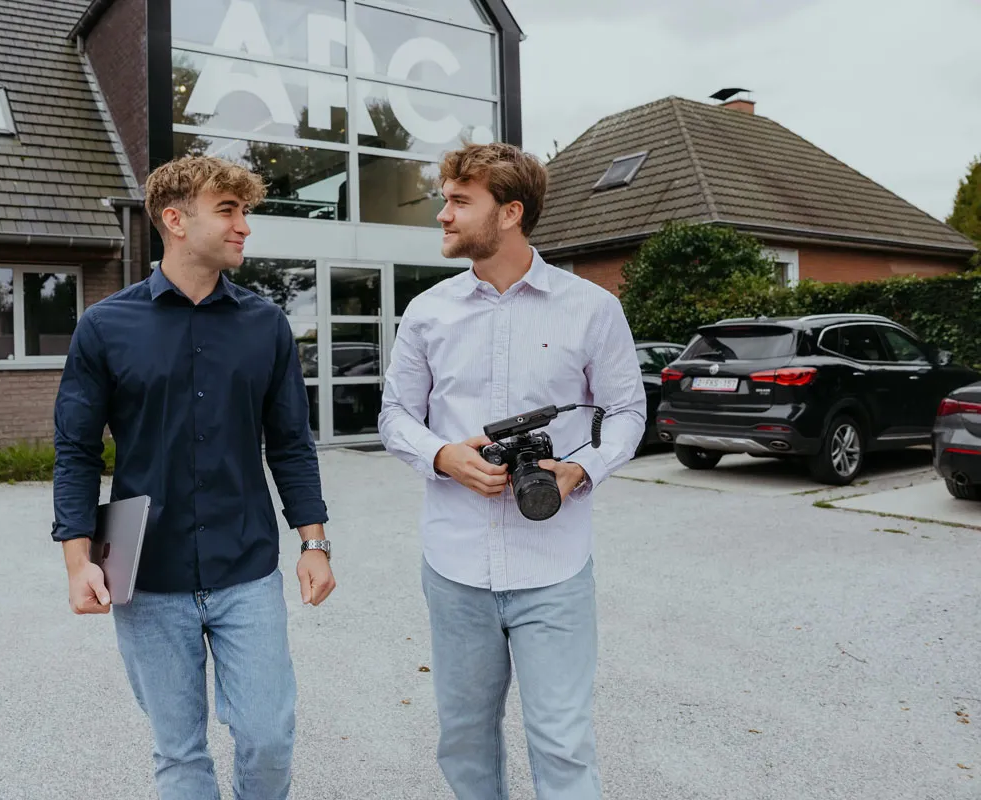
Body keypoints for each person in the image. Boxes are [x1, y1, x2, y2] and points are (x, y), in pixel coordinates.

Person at [51, 155, 335, 800]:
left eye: (245, 212)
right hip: (144, 569)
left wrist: (314, 543)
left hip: (246, 566)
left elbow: (291, 444)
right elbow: (76, 451)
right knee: (179, 752)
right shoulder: (105, 326)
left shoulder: (266, 325)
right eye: (228, 211)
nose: (244, 227)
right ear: (175, 221)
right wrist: (77, 562)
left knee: (268, 736)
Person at [378, 142, 645, 800]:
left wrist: (580, 470)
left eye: (459, 201)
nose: (442, 214)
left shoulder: (591, 308)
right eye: (445, 199)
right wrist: (444, 456)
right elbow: (396, 414)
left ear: (510, 213)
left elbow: (627, 411)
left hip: (554, 567)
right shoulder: (428, 311)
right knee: (465, 740)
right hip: (454, 568)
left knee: (562, 743)